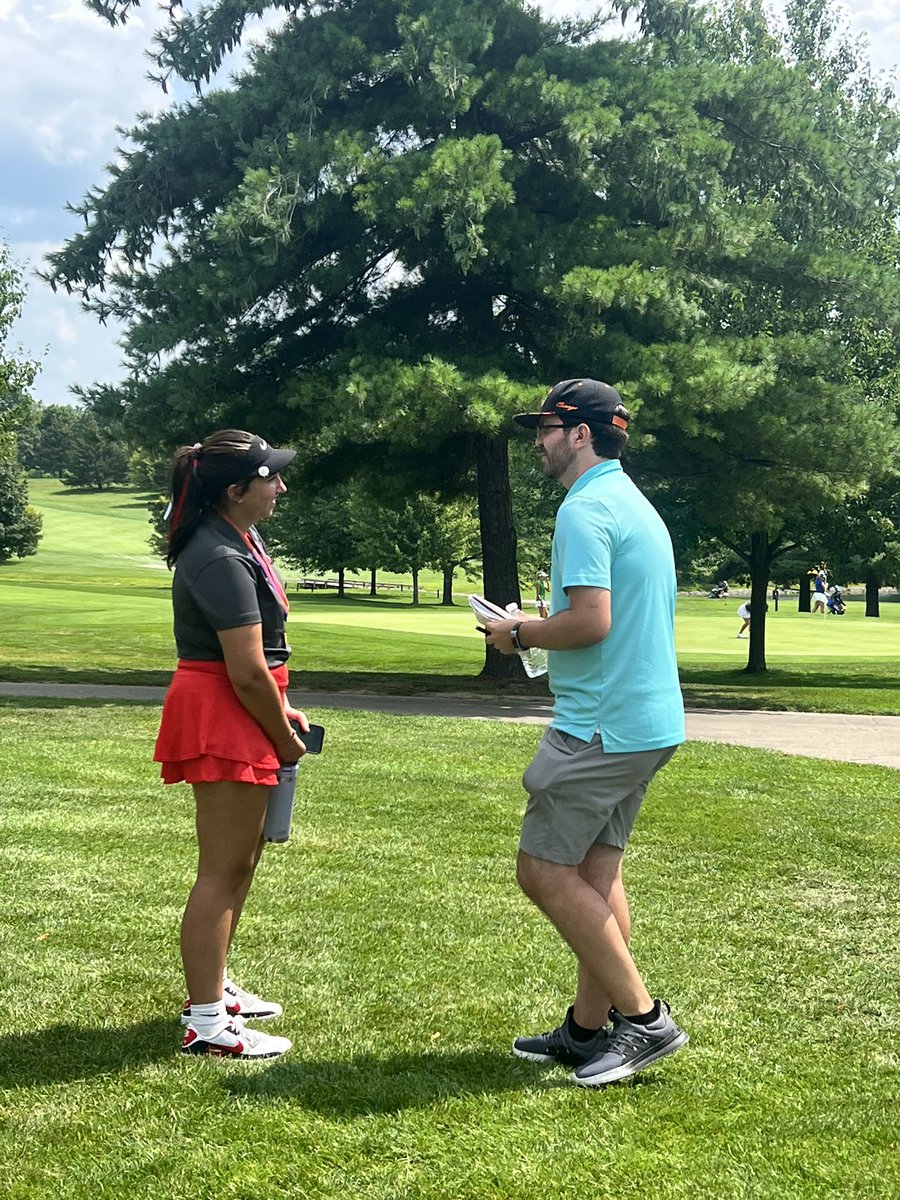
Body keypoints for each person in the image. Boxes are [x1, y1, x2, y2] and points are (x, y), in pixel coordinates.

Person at [483, 378, 687, 1088]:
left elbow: (591, 622)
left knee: (541, 870)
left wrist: (517, 633)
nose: (537, 439)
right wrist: (543, 626)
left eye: (546, 427)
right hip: (646, 722)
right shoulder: (631, 501)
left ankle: (645, 1020)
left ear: (581, 434)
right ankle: (586, 1030)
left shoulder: (586, 507)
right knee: (597, 873)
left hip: (600, 726)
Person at [154, 430, 310, 1061]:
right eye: (270, 477)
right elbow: (243, 669)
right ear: (234, 489)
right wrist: (282, 737)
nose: (281, 486)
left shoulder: (236, 538)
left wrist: (280, 706)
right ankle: (207, 1021)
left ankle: (214, 989)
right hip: (225, 707)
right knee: (221, 871)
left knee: (242, 862)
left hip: (240, 701)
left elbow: (259, 666)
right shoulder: (218, 553)